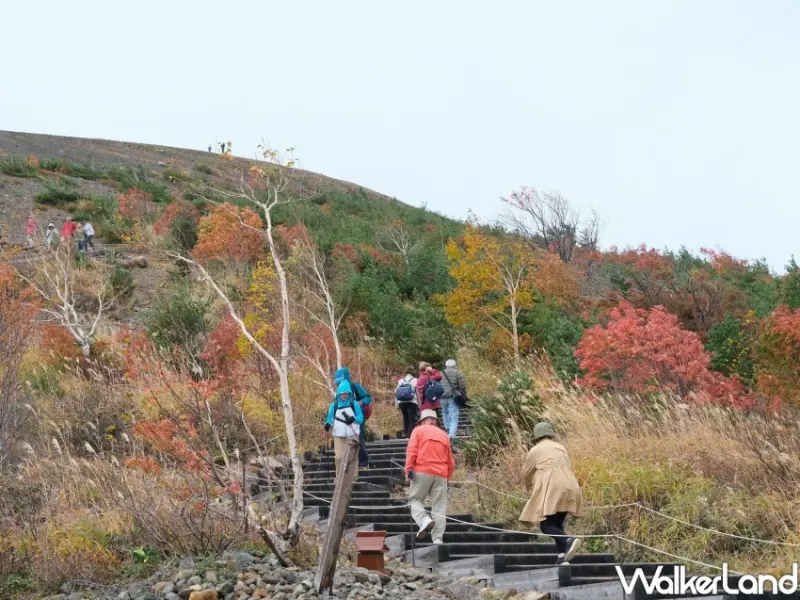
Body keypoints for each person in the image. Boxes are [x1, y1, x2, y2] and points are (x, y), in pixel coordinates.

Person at [519, 422, 583, 565]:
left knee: (546, 525)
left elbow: (526, 474)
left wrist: (528, 485)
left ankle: (569, 540)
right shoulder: (561, 447)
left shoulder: (535, 451)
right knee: (557, 524)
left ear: (536, 437)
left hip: (553, 487)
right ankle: (561, 557)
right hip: (571, 485)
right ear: (550, 434)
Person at [405, 409, 455, 545]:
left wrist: (408, 469)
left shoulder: (418, 431)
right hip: (441, 473)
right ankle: (437, 538)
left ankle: (424, 520)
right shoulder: (444, 435)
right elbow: (450, 460)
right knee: (439, 506)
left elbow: (412, 451)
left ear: (423, 421)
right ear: (435, 421)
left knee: (414, 499)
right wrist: (447, 476)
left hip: (422, 470)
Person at [333, 367, 373, 469]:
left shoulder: (355, 387)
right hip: (345, 418)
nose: (338, 385)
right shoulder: (339, 391)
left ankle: (363, 462)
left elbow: (368, 397)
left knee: (358, 438)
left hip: (358, 417)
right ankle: (352, 463)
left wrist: (361, 402)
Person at [324, 380, 364, 475]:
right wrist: (328, 425)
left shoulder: (354, 404)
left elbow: (360, 418)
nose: (344, 395)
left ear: (349, 393)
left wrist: (353, 418)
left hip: (352, 435)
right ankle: (339, 476)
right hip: (338, 435)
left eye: (346, 393)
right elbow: (330, 419)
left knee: (352, 458)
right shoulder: (334, 406)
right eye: (342, 393)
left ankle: (353, 479)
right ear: (338, 394)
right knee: (338, 457)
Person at [440, 359, 468, 441]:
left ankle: (447, 428)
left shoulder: (440, 373)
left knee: (444, 412)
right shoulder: (458, 373)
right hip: (452, 396)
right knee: (454, 415)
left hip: (442, 396)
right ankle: (451, 434)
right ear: (455, 365)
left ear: (446, 365)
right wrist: (464, 396)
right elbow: (462, 386)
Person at [395, 370, 419, 438]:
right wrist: (419, 403)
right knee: (411, 419)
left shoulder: (400, 380)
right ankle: (410, 435)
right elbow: (417, 392)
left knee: (405, 418)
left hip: (401, 402)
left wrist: (397, 404)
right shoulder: (415, 380)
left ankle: (405, 433)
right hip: (412, 401)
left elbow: (396, 392)